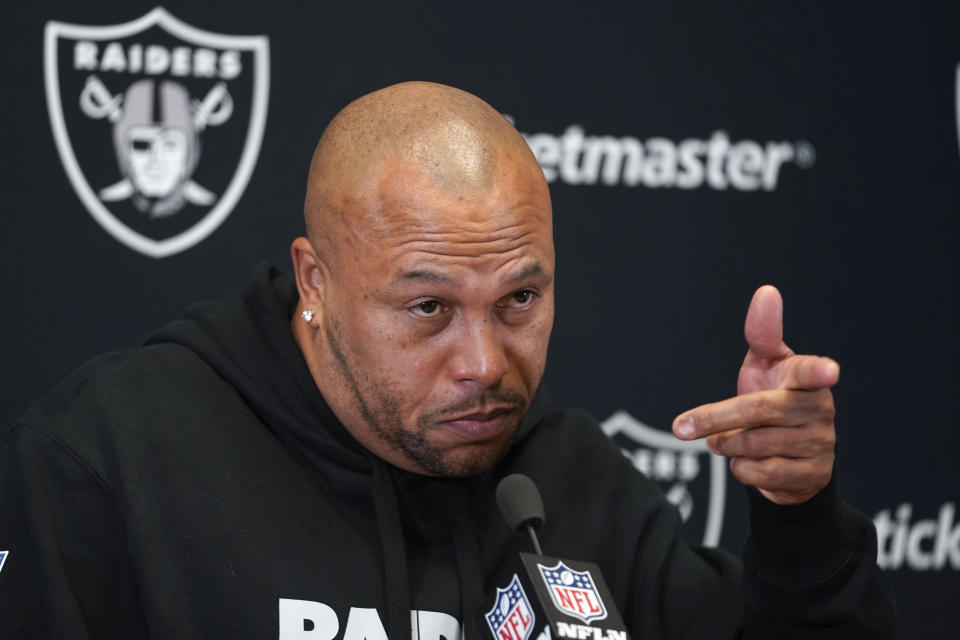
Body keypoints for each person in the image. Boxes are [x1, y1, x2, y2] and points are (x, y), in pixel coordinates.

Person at [0, 82, 894, 639]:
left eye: (520, 301)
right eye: (428, 308)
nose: (485, 365)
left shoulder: (566, 482)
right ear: (317, 279)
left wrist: (800, 518)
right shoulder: (111, 462)